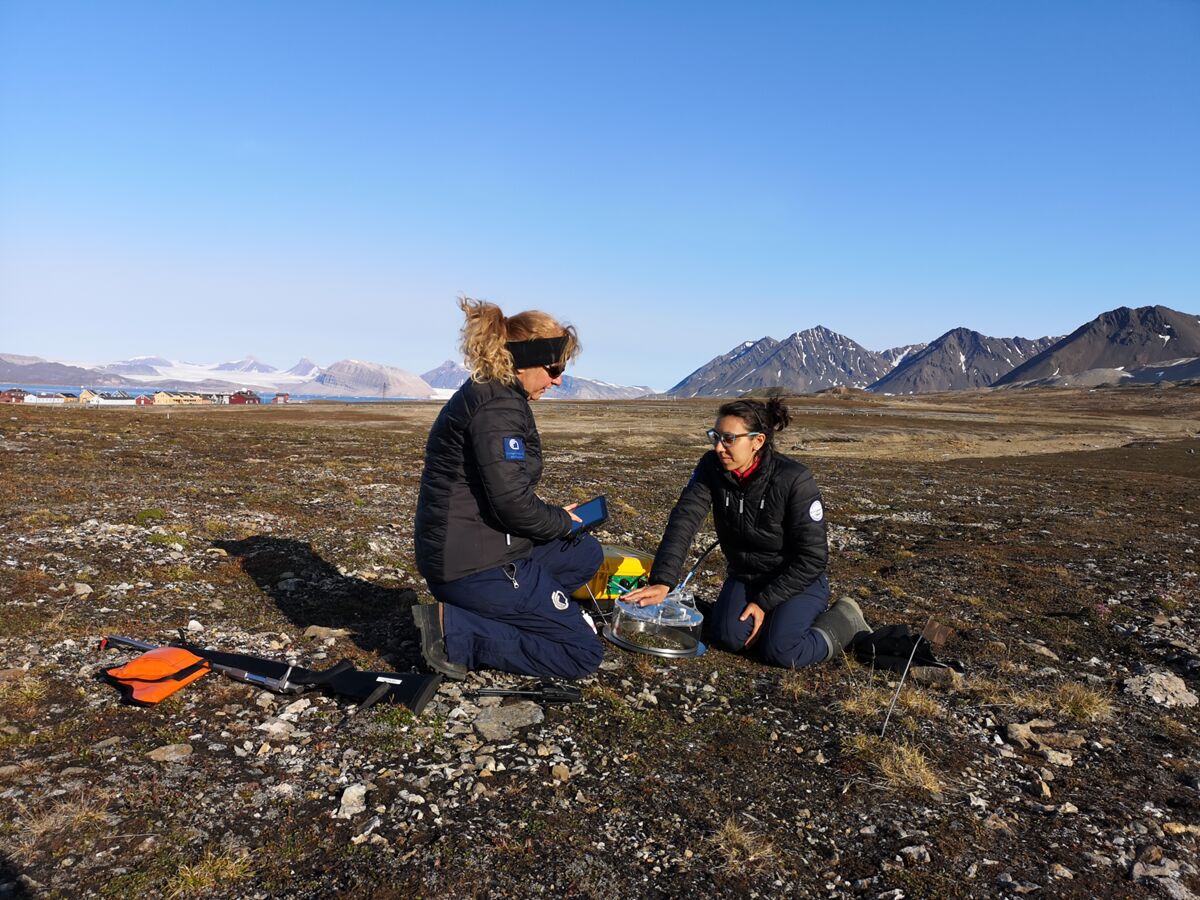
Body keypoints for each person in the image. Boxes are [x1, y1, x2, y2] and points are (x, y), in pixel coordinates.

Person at [411, 297, 604, 680]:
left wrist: (558, 521)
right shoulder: (498, 407)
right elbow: (512, 505)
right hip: (475, 565)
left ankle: (521, 612)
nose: (558, 379)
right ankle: (455, 632)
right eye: (554, 367)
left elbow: (503, 491)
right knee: (582, 653)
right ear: (526, 359)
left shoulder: (496, 394)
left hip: (476, 548)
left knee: (584, 553)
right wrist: (560, 522)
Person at [623, 396, 868, 668]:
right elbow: (685, 519)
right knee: (728, 638)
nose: (718, 447)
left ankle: (844, 620)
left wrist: (764, 603)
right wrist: (663, 581)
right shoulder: (711, 468)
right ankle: (776, 622)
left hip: (797, 582)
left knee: (783, 652)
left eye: (729, 439)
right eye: (715, 436)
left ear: (757, 441)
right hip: (746, 576)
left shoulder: (795, 479)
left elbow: (813, 558)